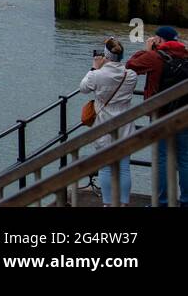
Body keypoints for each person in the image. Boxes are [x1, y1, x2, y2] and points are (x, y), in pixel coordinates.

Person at [127, 26, 188, 206]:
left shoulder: (154, 57)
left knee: (162, 159)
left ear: (159, 40)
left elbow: (131, 65)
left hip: (161, 115)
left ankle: (162, 202)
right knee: (185, 159)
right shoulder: (186, 56)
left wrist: (147, 50)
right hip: (184, 115)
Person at [80, 37, 137, 205]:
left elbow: (83, 88)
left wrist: (94, 67)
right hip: (125, 123)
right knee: (124, 167)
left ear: (105, 55)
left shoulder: (97, 75)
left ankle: (107, 203)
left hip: (103, 123)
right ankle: (124, 202)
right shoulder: (131, 75)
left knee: (105, 166)